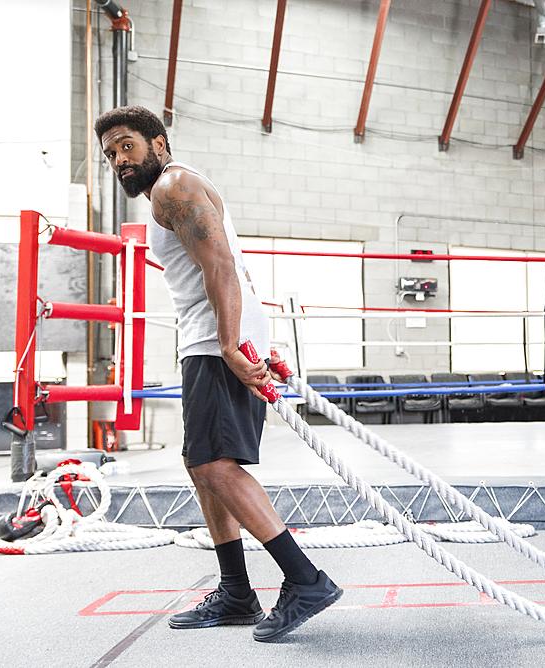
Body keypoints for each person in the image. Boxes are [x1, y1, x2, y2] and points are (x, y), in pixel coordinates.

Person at [94, 105, 342, 642]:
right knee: (201, 463)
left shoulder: (173, 187)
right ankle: (236, 591)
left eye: (127, 146)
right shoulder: (175, 187)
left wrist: (231, 343)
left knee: (214, 465)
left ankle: (306, 580)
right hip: (210, 335)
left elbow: (222, 266)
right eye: (111, 153)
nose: (119, 159)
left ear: (158, 143)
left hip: (214, 338)